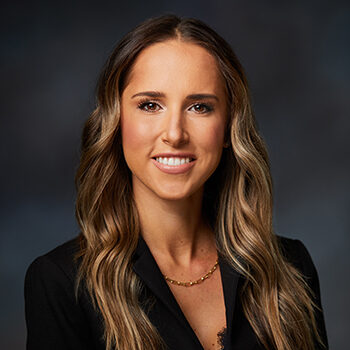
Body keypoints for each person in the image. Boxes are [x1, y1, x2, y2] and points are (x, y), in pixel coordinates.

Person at [24, 15, 329, 350]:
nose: (174, 134)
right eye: (150, 105)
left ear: (228, 128)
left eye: (199, 107)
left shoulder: (290, 268)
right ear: (116, 122)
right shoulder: (62, 283)